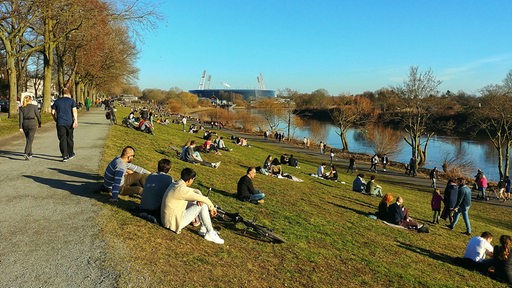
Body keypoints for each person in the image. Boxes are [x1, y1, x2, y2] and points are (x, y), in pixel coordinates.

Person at [161, 168, 224, 244]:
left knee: (199, 203)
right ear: (190, 180)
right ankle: (210, 232)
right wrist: (212, 208)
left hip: (167, 220)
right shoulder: (182, 190)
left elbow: (195, 190)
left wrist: (199, 194)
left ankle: (204, 229)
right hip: (173, 223)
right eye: (193, 179)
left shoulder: (176, 184)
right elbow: (203, 199)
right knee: (202, 206)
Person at [136, 159, 174, 223]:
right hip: (155, 208)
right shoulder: (169, 178)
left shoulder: (151, 175)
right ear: (169, 169)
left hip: (143, 205)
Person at [51, 88, 78, 162]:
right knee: (70, 138)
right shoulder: (71, 101)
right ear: (68, 93)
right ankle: (71, 153)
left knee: (62, 139)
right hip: (69, 122)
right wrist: (75, 120)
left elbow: (52, 112)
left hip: (60, 122)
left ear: (61, 93)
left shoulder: (57, 101)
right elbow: (74, 111)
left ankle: (65, 155)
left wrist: (55, 119)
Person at [18, 95, 41, 160]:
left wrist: (20, 127)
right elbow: (38, 115)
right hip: (32, 123)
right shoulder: (34, 107)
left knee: (28, 138)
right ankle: (26, 152)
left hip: (25, 123)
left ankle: (30, 153)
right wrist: (39, 122)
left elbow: (21, 118)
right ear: (30, 100)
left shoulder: (21, 108)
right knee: (30, 139)